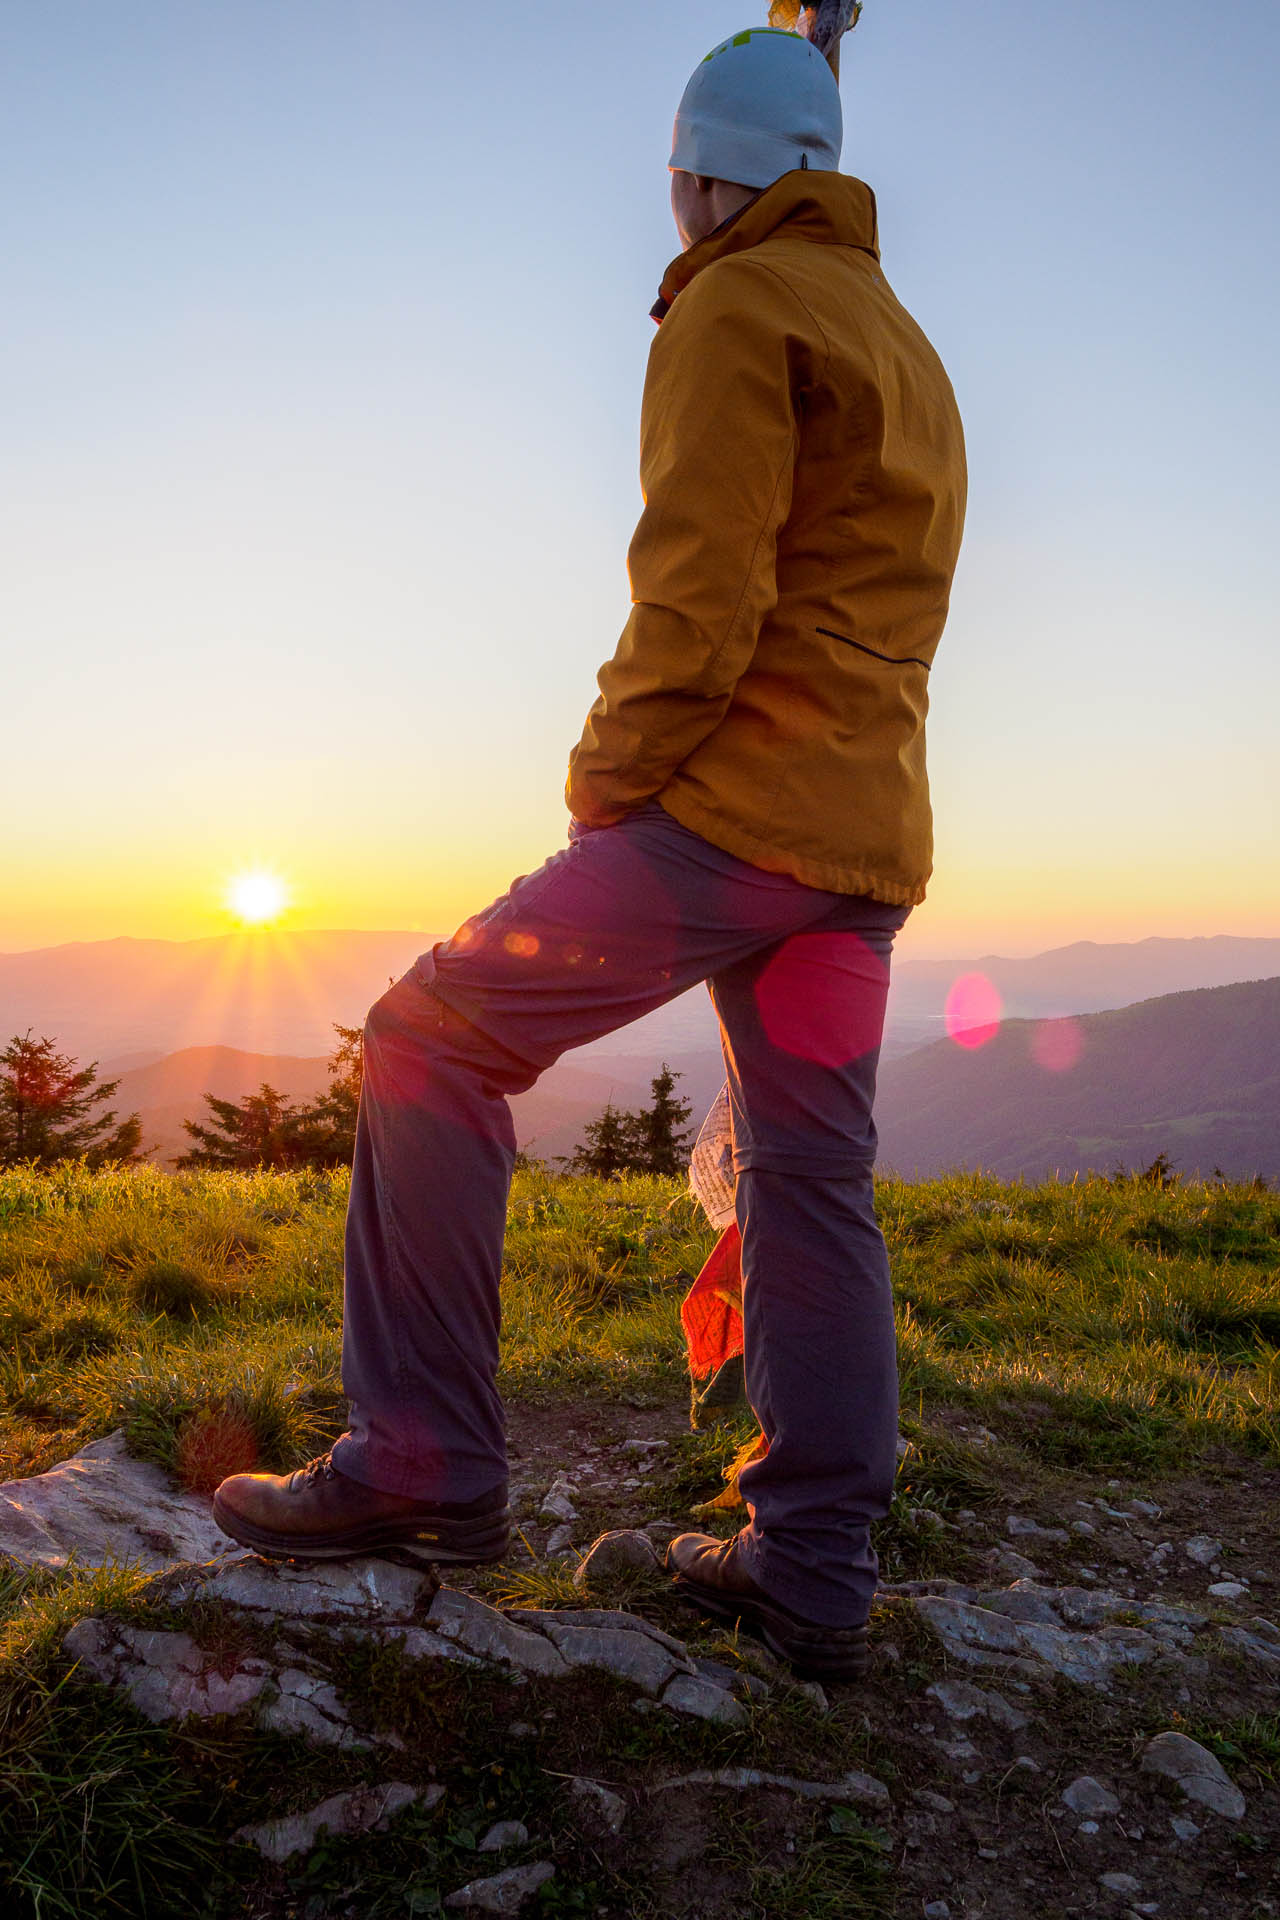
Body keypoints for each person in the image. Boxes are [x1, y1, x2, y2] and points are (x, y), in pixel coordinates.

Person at [214, 16, 967, 1684]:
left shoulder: (733, 304)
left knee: (427, 1038)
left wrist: (602, 792)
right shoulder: (899, 335)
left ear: (701, 180)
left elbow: (698, 600)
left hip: (731, 814)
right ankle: (813, 1573)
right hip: (863, 842)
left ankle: (422, 1460)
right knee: (812, 1176)